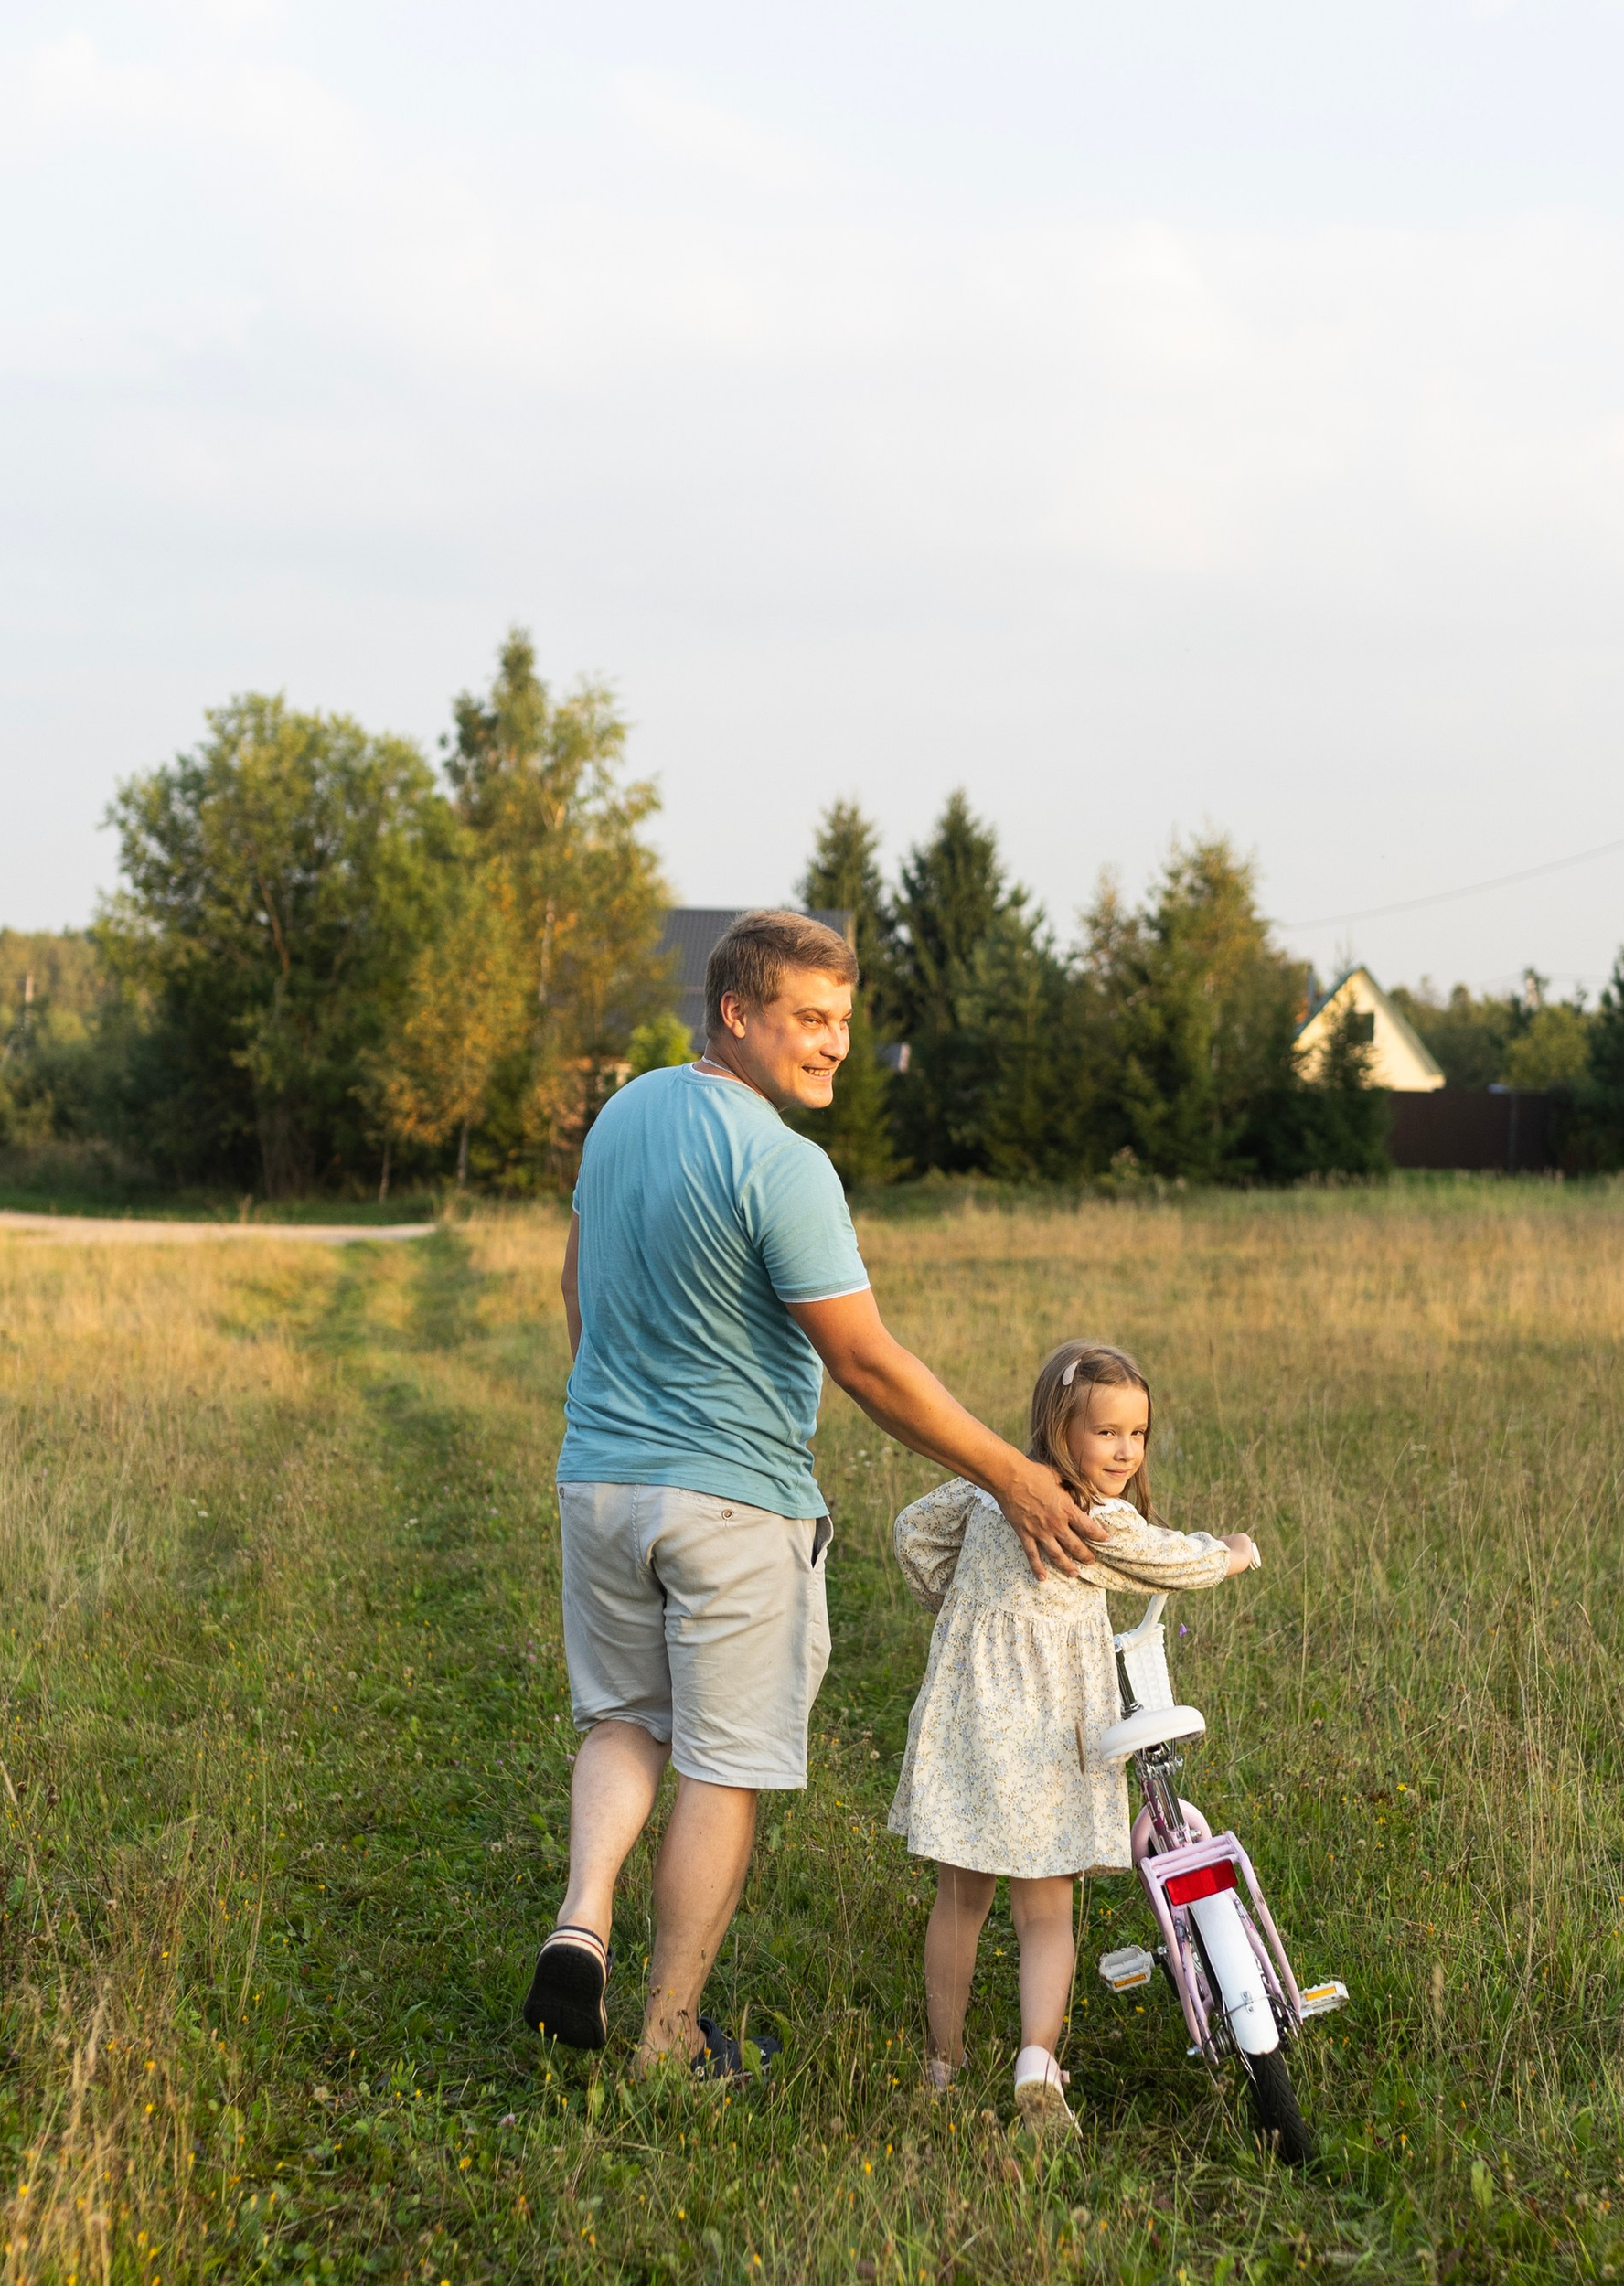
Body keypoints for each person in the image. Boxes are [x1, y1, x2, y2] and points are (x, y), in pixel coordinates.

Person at [521, 909, 1106, 2076]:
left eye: (843, 1021)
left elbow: (579, 1301)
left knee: (623, 1722)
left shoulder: (623, 1113)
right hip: (734, 1508)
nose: (832, 1045)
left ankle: (580, 1921)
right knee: (723, 1766)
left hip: (597, 1484)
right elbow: (866, 1363)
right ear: (738, 1014)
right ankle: (669, 2036)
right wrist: (1014, 1476)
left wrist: (612, 1421)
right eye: (809, 1019)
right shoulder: (783, 1164)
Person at [886, 1338, 1261, 2141]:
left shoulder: (987, 1492)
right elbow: (1167, 1561)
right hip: (1053, 1736)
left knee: (960, 1900)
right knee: (1046, 1915)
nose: (1126, 1451)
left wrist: (960, 1616)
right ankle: (1034, 2060)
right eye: (1108, 1433)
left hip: (968, 1717)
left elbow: (913, 1530)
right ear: (1059, 1428)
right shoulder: (1090, 1520)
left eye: (1139, 1434)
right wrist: (1227, 1556)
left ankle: (941, 2066)